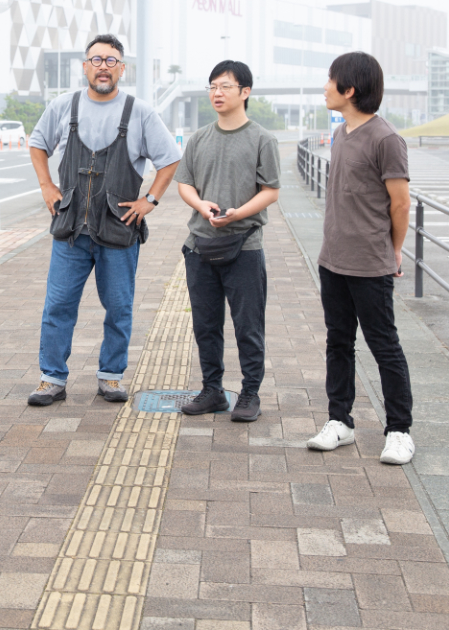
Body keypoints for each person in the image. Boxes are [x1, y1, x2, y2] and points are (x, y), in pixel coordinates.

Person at [27, 34, 181, 406]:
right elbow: (37, 143)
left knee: (119, 306)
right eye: (96, 60)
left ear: (121, 69)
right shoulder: (64, 106)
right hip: (70, 230)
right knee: (58, 304)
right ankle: (52, 378)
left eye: (111, 61)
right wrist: (47, 185)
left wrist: (150, 200)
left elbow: (170, 158)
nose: (103, 66)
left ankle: (111, 377)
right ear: (85, 66)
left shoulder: (140, 111)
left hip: (118, 227)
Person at [306, 52, 416, 465]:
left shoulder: (386, 139)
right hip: (332, 259)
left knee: (384, 345)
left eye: (330, 79)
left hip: (370, 263)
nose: (325, 86)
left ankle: (400, 430)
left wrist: (394, 249)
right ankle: (340, 421)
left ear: (349, 89)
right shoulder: (341, 133)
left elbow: (400, 204)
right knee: (339, 342)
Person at [174, 60, 281, 422]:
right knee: (205, 324)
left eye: (225, 86)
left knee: (248, 325)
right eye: (212, 86)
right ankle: (213, 390)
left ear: (245, 92)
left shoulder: (262, 139)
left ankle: (250, 393)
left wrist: (239, 213)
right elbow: (184, 183)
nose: (216, 93)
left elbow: (271, 191)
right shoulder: (199, 138)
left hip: (244, 247)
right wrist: (201, 204)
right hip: (199, 245)